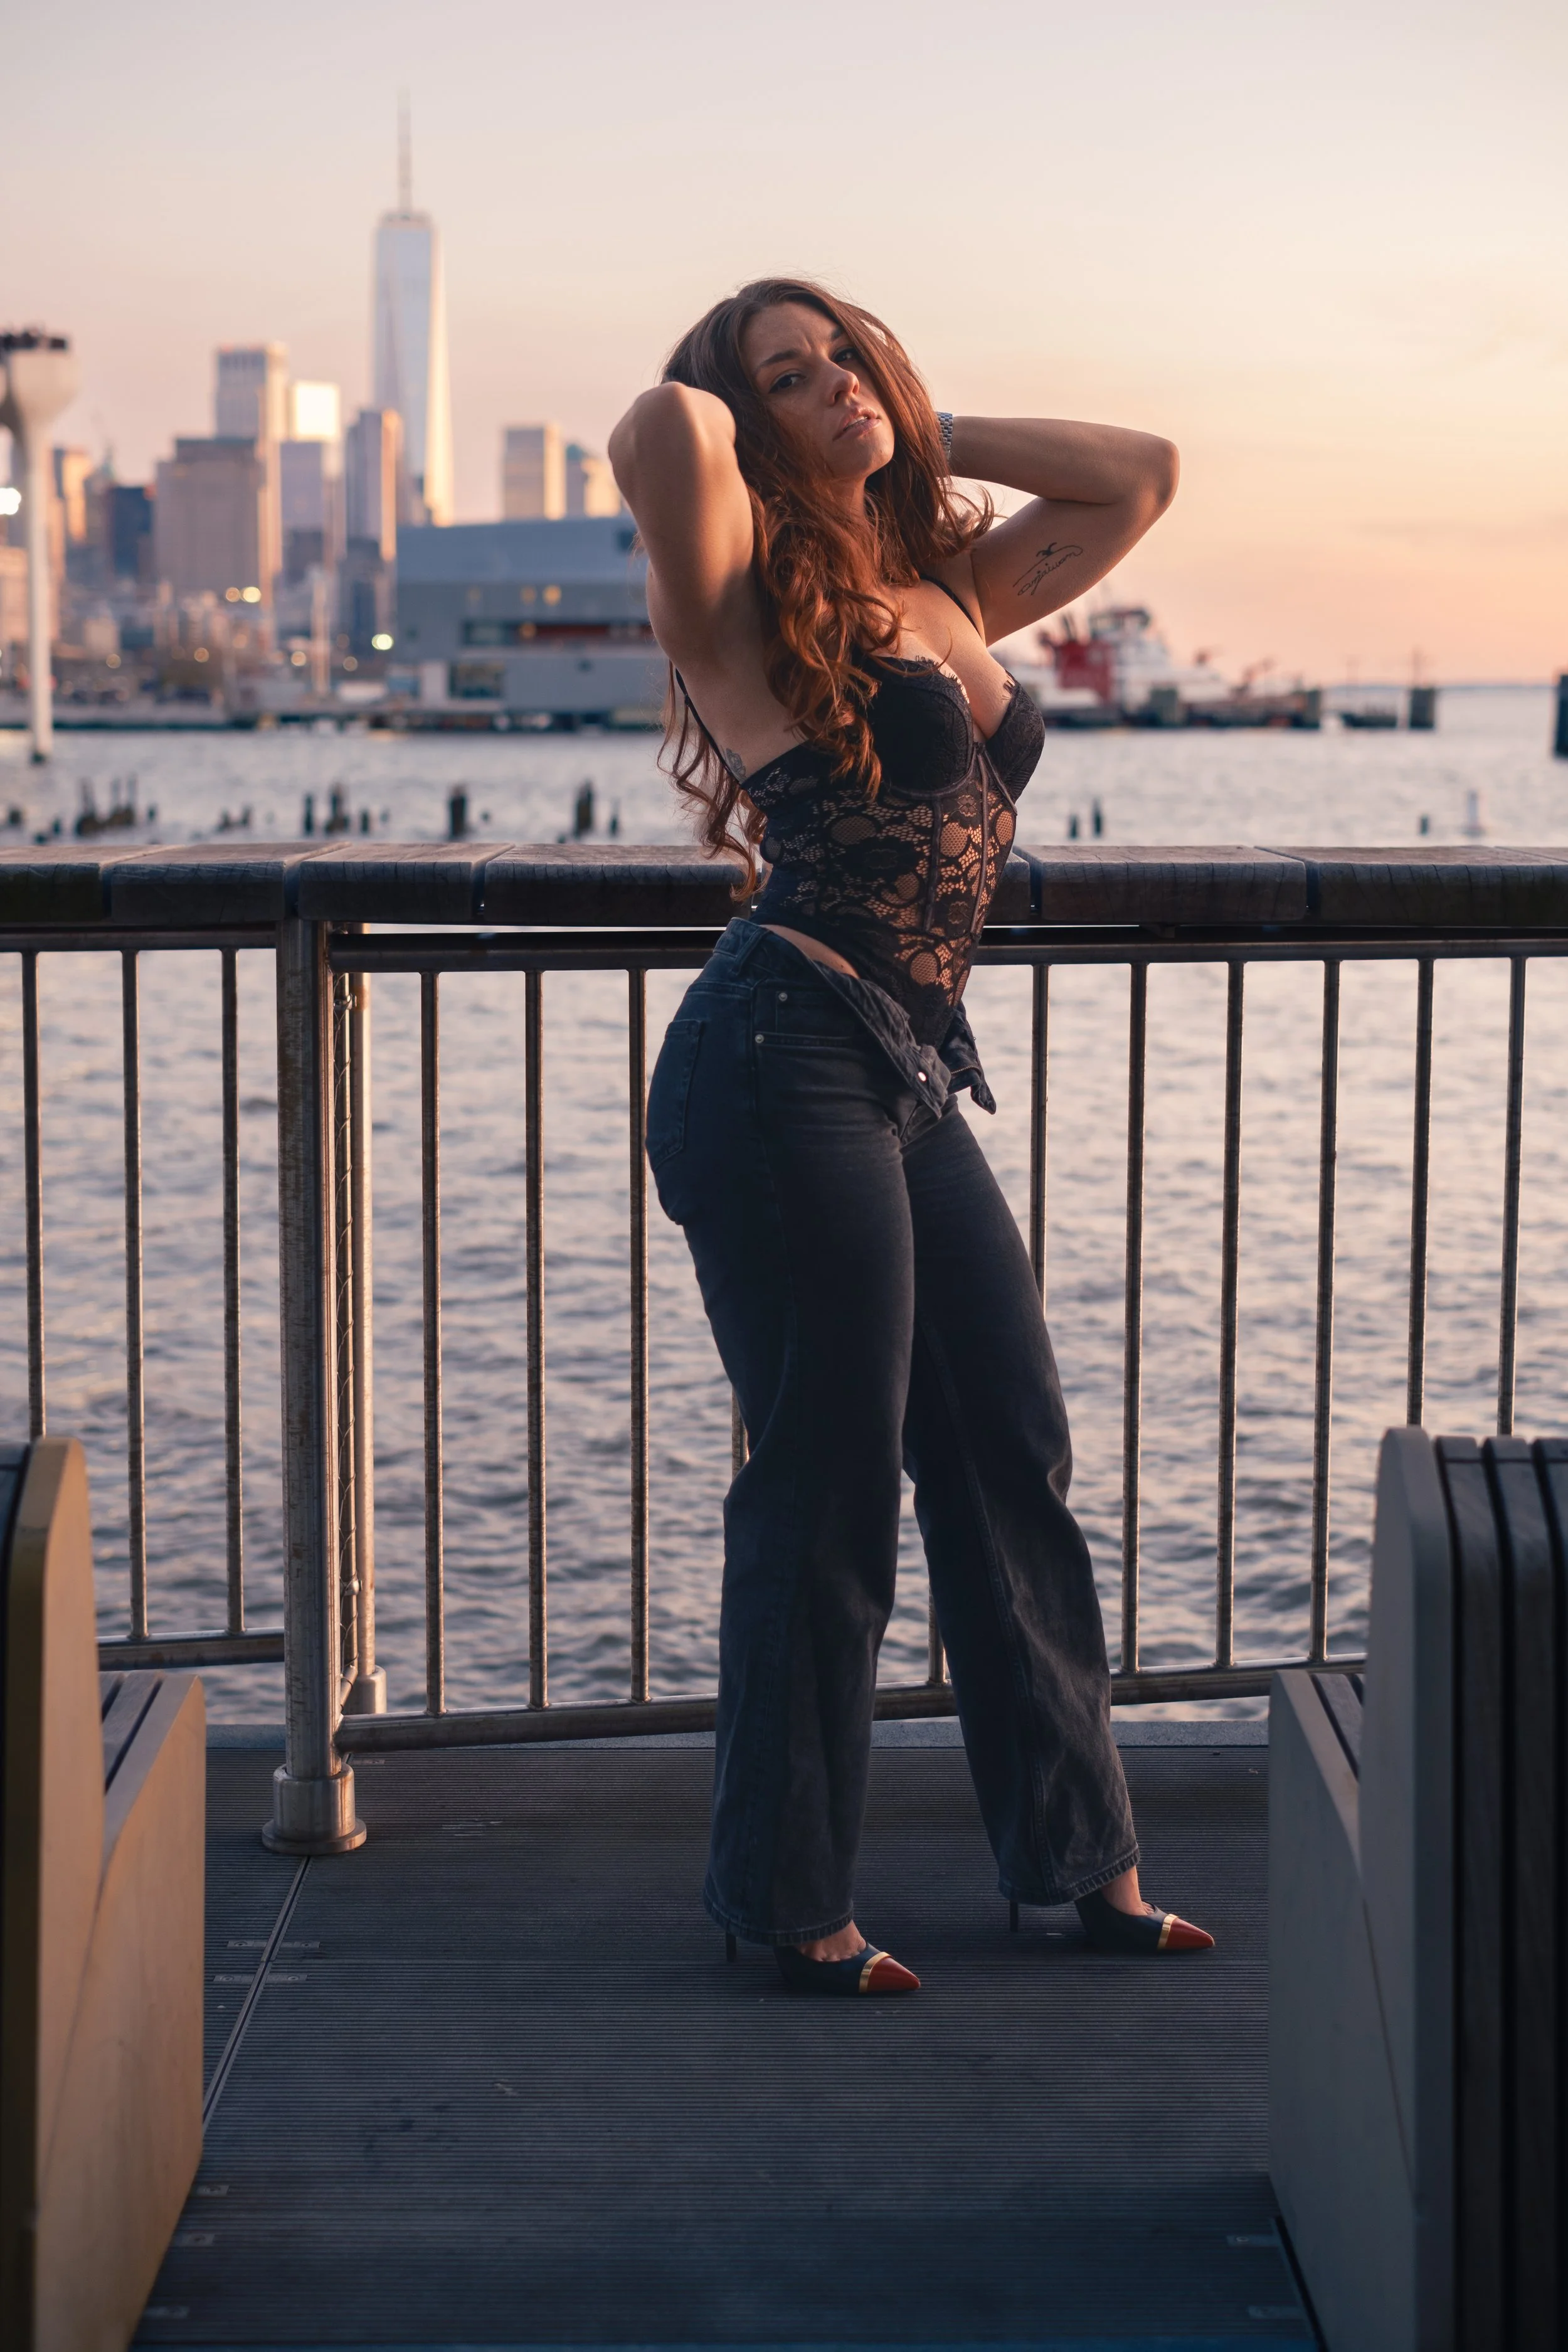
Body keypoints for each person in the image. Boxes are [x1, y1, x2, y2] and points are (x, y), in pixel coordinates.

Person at [609, 277, 1212, 1995]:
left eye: (844, 355)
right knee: (824, 1481)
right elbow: (654, 432)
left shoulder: (935, 585)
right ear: (751, 417)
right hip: (775, 1055)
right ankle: (783, 1899)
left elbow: (1139, 474)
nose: (832, 386)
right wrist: (740, 397)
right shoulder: (729, 597)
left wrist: (915, 426)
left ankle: (1075, 1858)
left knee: (1005, 1444)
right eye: (792, 378)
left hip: (899, 1062)